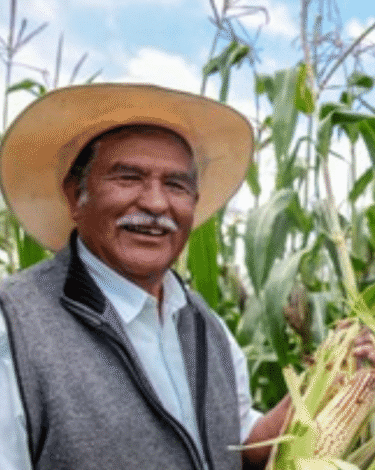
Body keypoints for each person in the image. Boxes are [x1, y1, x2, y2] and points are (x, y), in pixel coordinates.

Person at [0, 84, 291, 470]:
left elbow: (236, 443)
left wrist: (329, 386)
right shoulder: (14, 328)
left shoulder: (208, 327)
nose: (156, 203)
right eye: (128, 178)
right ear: (75, 196)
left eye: (176, 185)